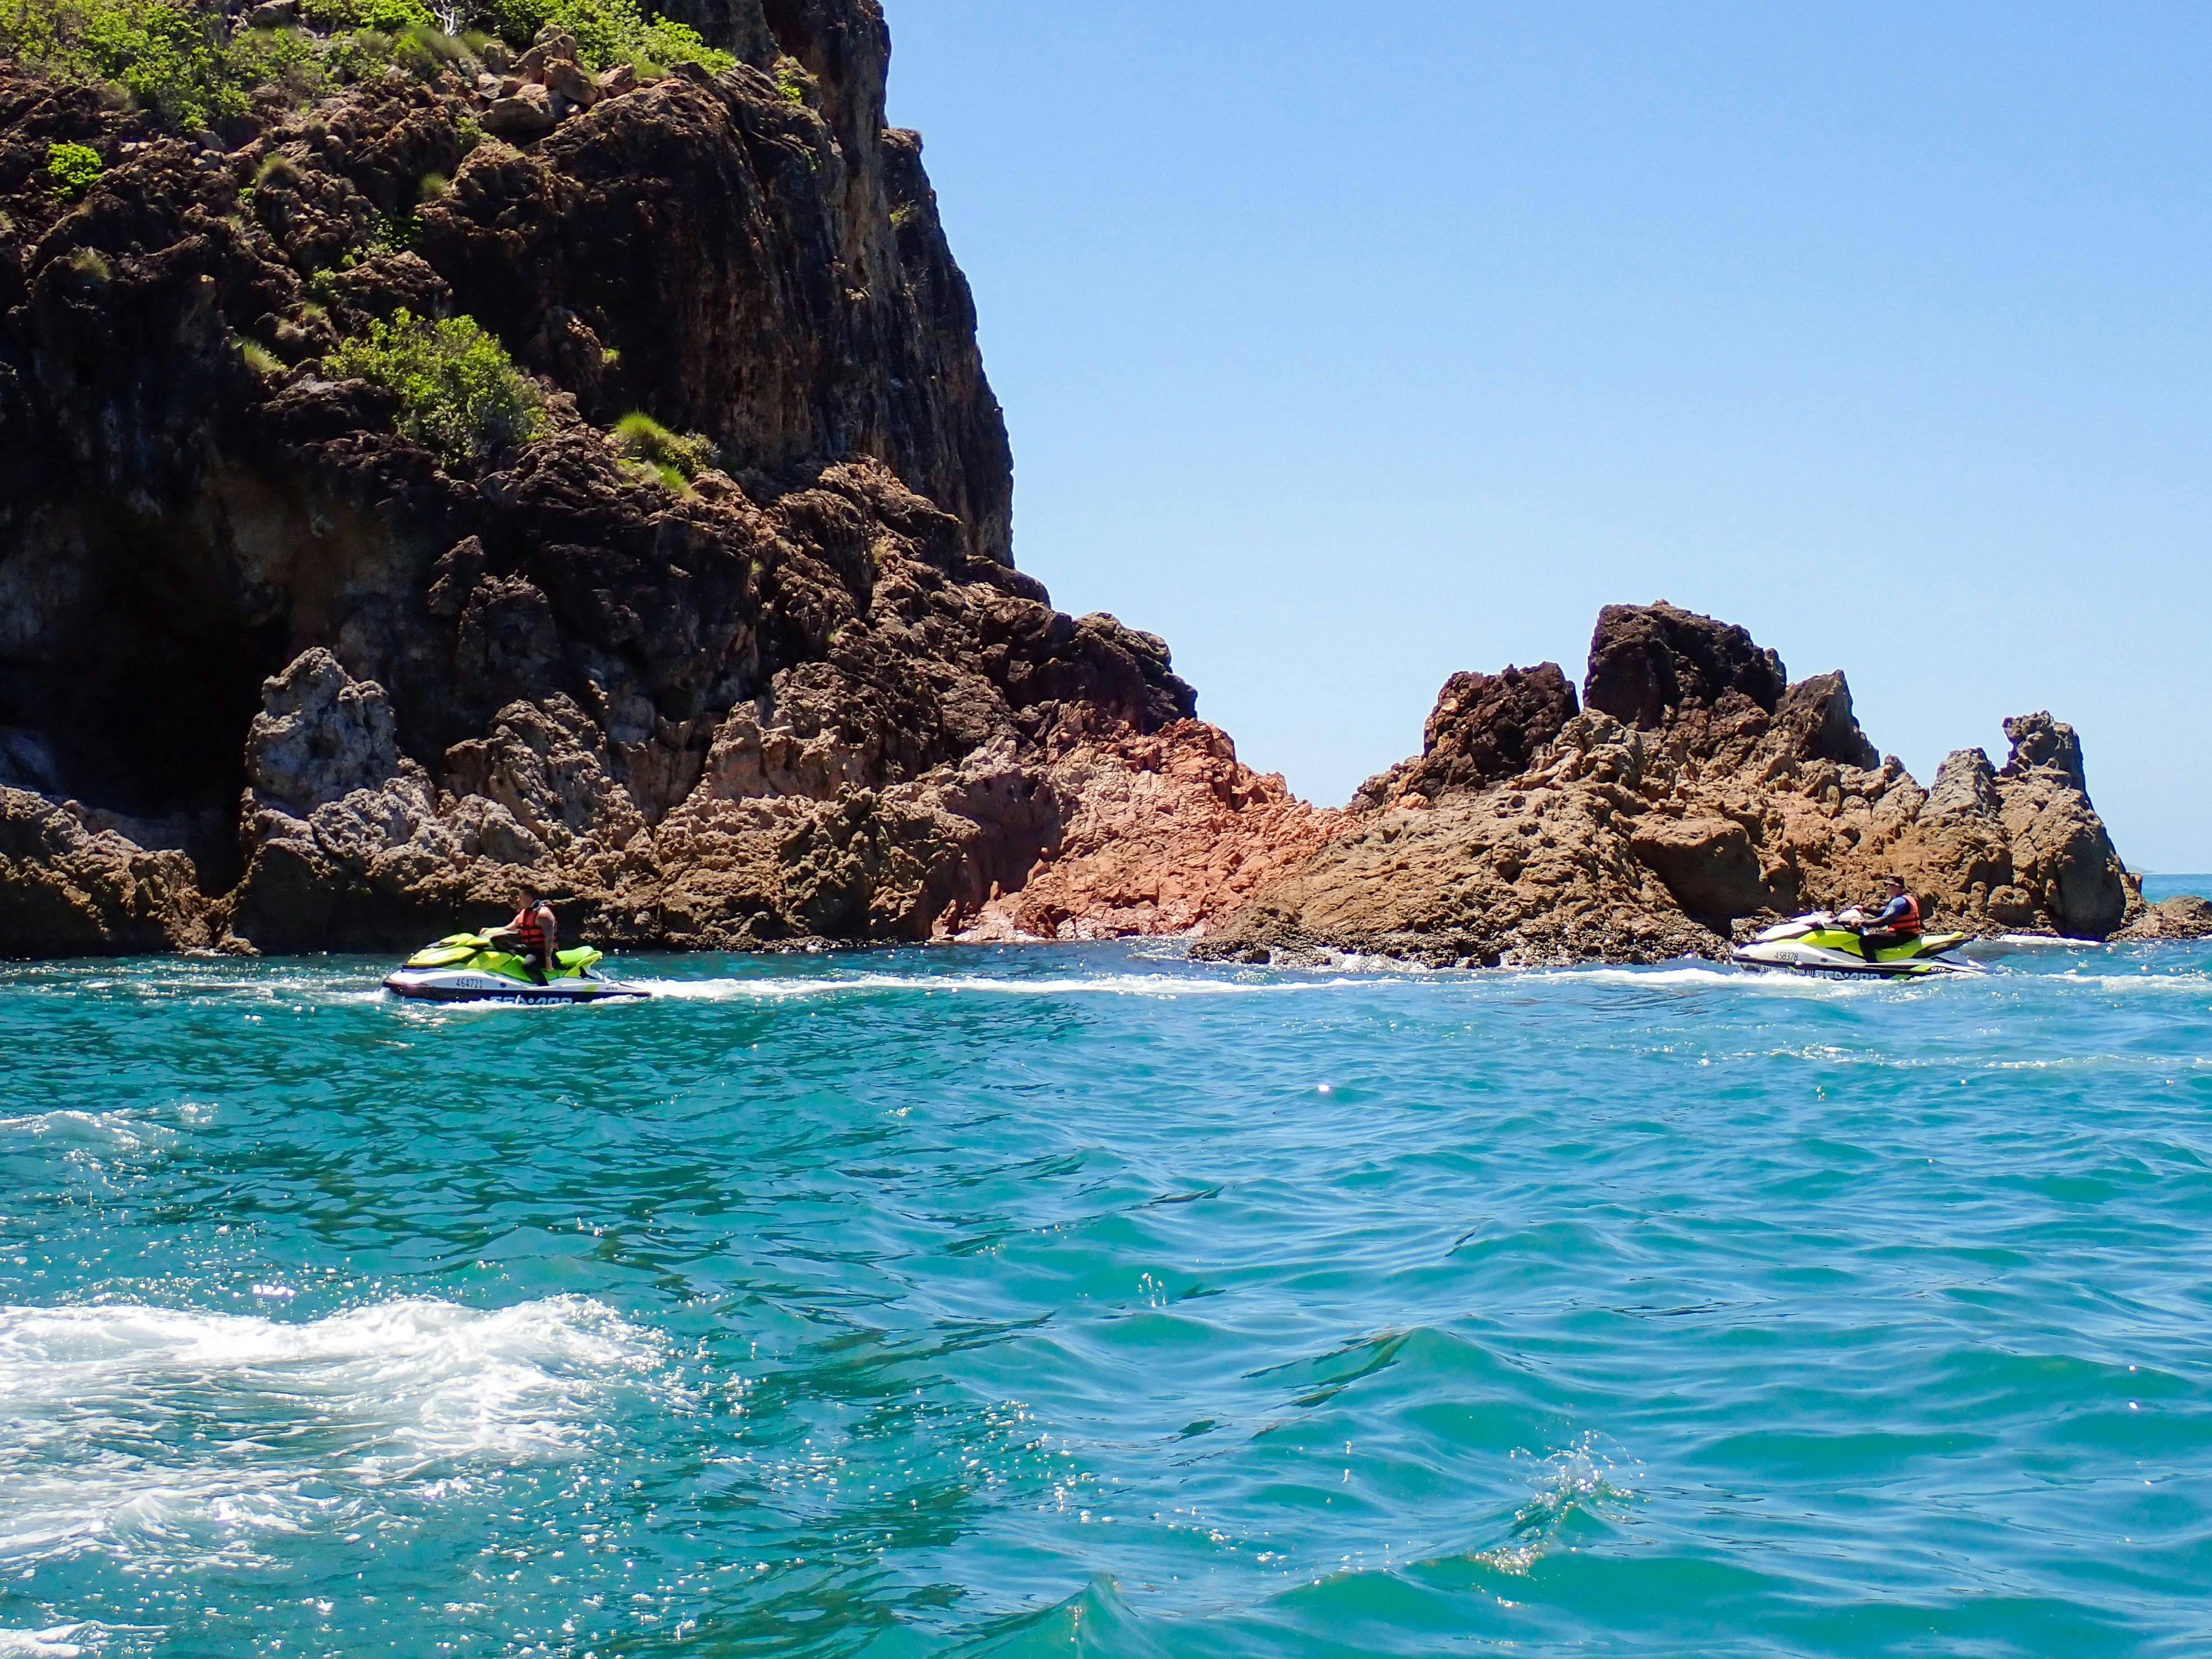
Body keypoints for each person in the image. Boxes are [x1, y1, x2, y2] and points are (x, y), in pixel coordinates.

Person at [492, 883, 559, 985]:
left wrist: (548, 961)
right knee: (501, 944)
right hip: (530, 949)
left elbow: (549, 939)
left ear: (529, 898)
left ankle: (543, 987)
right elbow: (508, 928)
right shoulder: (524, 913)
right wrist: (489, 931)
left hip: (544, 952)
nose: (518, 900)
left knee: (528, 965)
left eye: (520, 897)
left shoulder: (543, 915)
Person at [1855, 875, 1921, 958]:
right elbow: (1884, 913)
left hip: (1904, 935)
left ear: (1897, 887)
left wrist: (1864, 923)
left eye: (1889, 885)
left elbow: (1885, 920)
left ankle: (1874, 967)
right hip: (1907, 934)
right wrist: (1864, 909)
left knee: (1865, 941)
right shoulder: (1904, 898)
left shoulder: (1900, 901)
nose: (1886, 887)